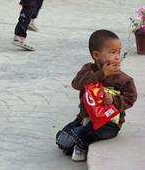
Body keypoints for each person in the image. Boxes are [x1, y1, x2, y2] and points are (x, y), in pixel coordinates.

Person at [56, 29, 137, 162]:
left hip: (109, 122)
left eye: (119, 51)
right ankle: (76, 141)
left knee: (83, 133)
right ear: (96, 55)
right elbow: (77, 84)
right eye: (112, 52)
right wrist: (101, 74)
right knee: (61, 138)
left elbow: (131, 97)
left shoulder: (123, 79)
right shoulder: (88, 70)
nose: (117, 56)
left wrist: (114, 100)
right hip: (84, 118)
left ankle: (79, 145)